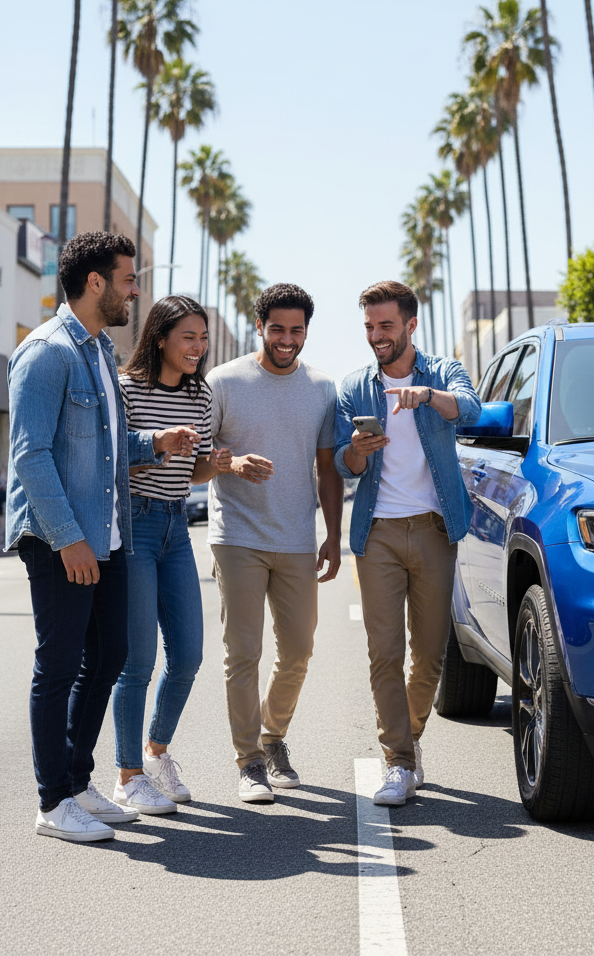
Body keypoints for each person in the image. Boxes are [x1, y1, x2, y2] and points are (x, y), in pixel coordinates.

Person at [6, 231, 200, 843]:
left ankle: (76, 779)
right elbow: (31, 457)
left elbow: (109, 449)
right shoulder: (47, 352)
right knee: (58, 664)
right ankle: (50, 802)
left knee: (110, 655)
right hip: (61, 536)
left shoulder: (95, 350)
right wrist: (67, 539)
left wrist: (156, 444)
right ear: (96, 283)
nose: (135, 290)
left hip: (108, 532)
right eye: (128, 278)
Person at [335, 280, 480, 806]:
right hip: (378, 533)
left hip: (436, 528)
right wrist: (356, 450)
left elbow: (470, 407)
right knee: (385, 652)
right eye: (370, 327)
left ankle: (410, 739)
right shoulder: (355, 386)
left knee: (430, 654)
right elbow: (339, 463)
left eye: (386, 326)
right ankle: (396, 760)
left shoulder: (441, 372)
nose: (377, 336)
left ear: (411, 325)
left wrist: (426, 396)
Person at [207, 283, 342, 803]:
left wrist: (332, 534)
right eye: (278, 329)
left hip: (295, 538)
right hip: (236, 535)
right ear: (259, 325)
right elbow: (200, 460)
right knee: (243, 653)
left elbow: (327, 468)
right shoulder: (224, 381)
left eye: (297, 330)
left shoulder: (322, 388)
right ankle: (249, 762)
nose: (287, 339)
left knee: (299, 650)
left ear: (306, 330)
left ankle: (272, 736)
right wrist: (231, 462)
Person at [111, 296, 237, 814]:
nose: (198, 347)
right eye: (189, 337)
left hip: (175, 526)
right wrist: (160, 445)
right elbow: (114, 464)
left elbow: (194, 473)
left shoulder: (200, 396)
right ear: (160, 337)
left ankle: (156, 751)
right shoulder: (127, 388)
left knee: (187, 654)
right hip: (134, 524)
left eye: (202, 338)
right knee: (137, 661)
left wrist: (216, 463)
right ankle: (127, 776)